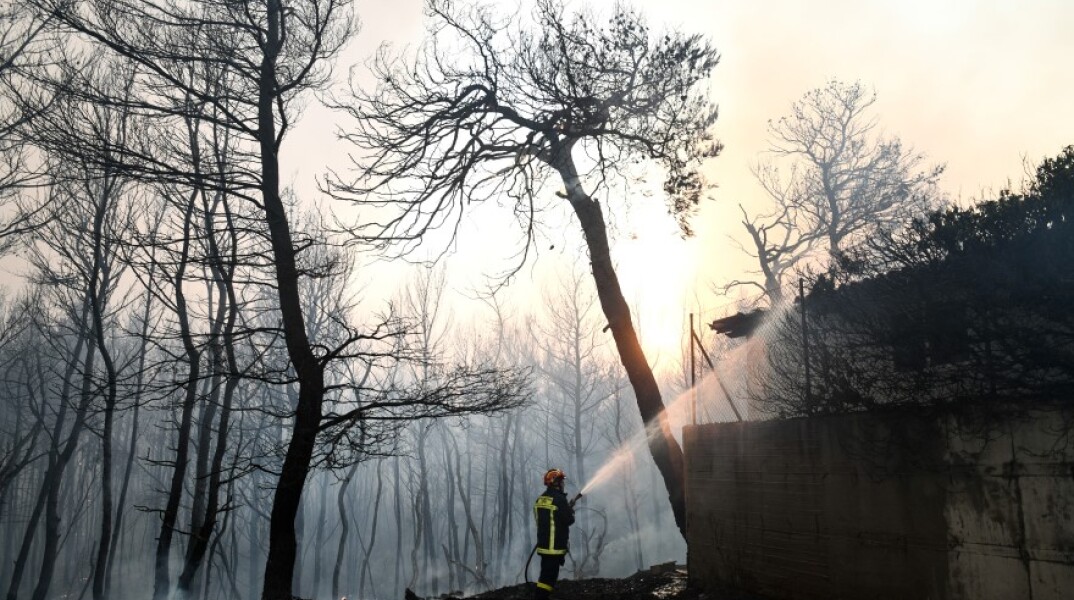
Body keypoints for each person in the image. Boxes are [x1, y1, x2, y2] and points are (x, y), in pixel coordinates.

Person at [533, 468, 575, 600]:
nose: (563, 484)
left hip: (544, 546)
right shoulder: (560, 500)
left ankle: (541, 596)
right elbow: (569, 520)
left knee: (545, 575)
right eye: (561, 482)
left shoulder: (540, 499)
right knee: (548, 578)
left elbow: (544, 520)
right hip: (555, 548)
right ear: (556, 482)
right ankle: (541, 597)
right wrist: (570, 510)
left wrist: (565, 508)